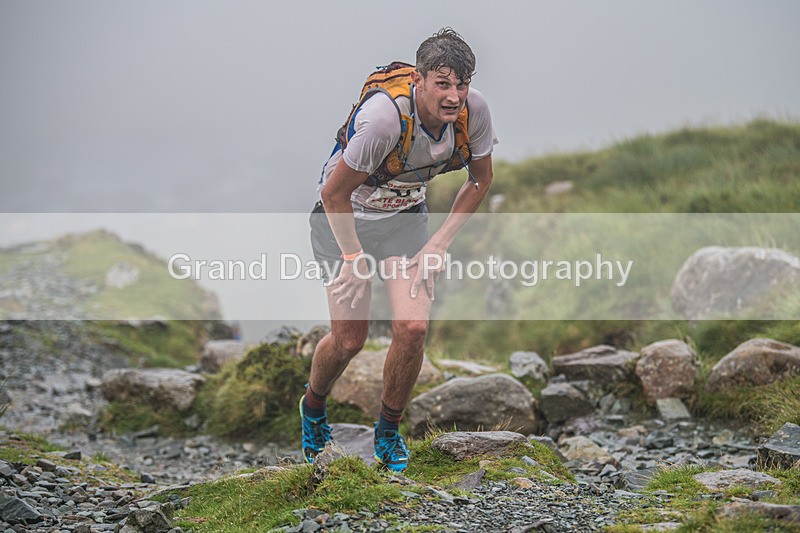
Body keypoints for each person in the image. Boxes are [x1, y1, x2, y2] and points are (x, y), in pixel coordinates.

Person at [301, 27, 497, 472]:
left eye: (462, 84)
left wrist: (438, 244)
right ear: (420, 80)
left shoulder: (474, 111)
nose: (454, 96)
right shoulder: (384, 121)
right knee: (350, 339)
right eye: (443, 84)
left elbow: (480, 180)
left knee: (411, 328)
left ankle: (387, 431)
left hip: (404, 221)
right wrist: (353, 260)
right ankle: (313, 410)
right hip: (342, 221)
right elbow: (333, 195)